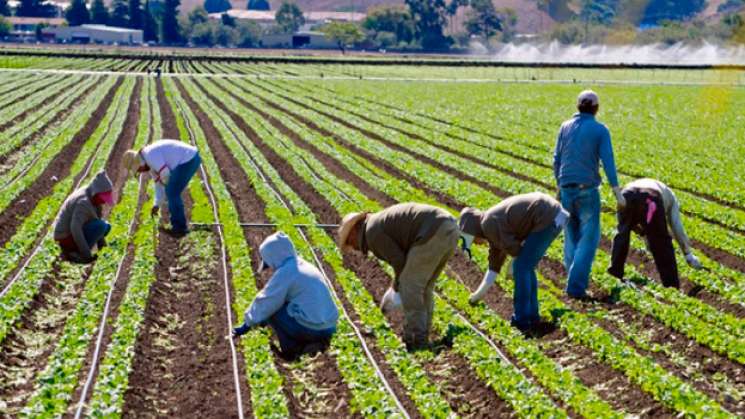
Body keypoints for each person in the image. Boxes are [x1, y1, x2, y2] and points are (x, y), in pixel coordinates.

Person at [339, 203, 459, 349]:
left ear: (354, 231)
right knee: (424, 287)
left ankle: (417, 340)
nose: (352, 246)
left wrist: (398, 285)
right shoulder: (375, 224)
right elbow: (402, 262)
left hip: (433, 231)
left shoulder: (372, 233)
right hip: (449, 227)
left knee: (411, 286)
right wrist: (396, 283)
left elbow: (399, 261)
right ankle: (422, 335)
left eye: (348, 241)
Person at [459, 192, 569, 331]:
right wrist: (477, 296)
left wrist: (512, 267)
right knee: (526, 266)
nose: (476, 243)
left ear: (474, 231)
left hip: (546, 215)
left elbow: (514, 249)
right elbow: (494, 265)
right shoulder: (490, 226)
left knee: (522, 267)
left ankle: (522, 319)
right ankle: (532, 316)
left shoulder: (488, 223)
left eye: (473, 240)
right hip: (554, 214)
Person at [554, 89, 625, 299]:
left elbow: (556, 160)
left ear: (578, 106)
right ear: (596, 108)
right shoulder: (600, 130)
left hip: (566, 187)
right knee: (589, 238)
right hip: (587, 190)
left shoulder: (564, 127)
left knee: (571, 235)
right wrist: (617, 192)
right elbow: (608, 161)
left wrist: (559, 187)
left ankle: (572, 277)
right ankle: (575, 287)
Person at [233, 232, 339, 360]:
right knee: (284, 305)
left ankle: (293, 350)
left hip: (312, 328)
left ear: (274, 257)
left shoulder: (286, 272)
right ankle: (316, 342)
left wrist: (247, 325)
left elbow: (267, 301)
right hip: (329, 325)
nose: (271, 267)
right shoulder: (304, 265)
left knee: (273, 311)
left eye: (269, 263)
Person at [608, 178, 702, 288]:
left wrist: (644, 235)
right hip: (651, 197)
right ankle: (671, 285)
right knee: (662, 242)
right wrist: (687, 254)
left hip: (627, 194)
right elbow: (676, 227)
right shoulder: (671, 199)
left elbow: (632, 222)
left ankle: (615, 272)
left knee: (622, 233)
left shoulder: (643, 184)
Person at [122, 139, 201, 236]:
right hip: (189, 158)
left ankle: (180, 228)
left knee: (172, 192)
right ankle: (179, 225)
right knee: (171, 192)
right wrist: (157, 204)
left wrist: (168, 187)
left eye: (138, 169)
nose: (141, 171)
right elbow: (158, 184)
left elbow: (165, 174)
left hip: (188, 159)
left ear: (139, 163)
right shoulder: (149, 162)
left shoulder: (150, 155)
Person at [53, 171, 114, 264]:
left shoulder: (91, 195)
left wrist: (103, 248)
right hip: (65, 237)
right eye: (103, 198)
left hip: (71, 233)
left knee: (106, 227)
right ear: (96, 193)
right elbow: (75, 228)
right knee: (100, 226)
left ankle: (80, 250)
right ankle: (76, 253)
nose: (104, 202)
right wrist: (87, 254)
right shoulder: (83, 203)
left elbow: (97, 219)